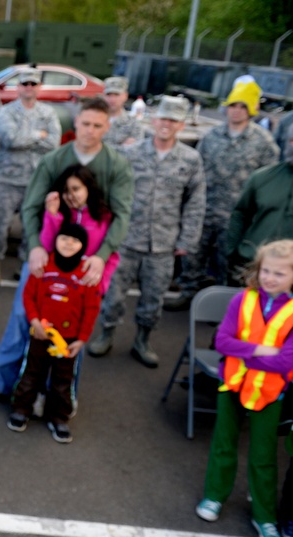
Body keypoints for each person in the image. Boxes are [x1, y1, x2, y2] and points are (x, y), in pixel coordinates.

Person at [0, 97, 134, 404]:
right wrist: (35, 246)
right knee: (24, 317)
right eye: (85, 123)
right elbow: (32, 204)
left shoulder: (117, 165)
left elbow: (122, 215)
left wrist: (101, 258)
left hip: (87, 264)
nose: (90, 131)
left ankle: (56, 393)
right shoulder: (54, 160)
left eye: (97, 126)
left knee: (74, 329)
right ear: (75, 123)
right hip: (47, 255)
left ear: (107, 127)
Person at [87, 96, 205, 368]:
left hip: (163, 243)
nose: (166, 124)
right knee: (114, 292)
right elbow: (110, 193)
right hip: (126, 239)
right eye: (163, 118)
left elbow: (195, 202)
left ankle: (143, 339)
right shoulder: (131, 153)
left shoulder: (190, 159)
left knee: (154, 296)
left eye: (173, 120)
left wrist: (188, 239)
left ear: (182, 125)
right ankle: (106, 333)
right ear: (153, 120)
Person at [195, 240, 293, 537]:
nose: (270, 278)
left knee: (263, 456)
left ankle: (264, 516)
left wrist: (245, 353)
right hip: (233, 386)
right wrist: (260, 350)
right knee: (224, 444)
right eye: (266, 271)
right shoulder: (242, 300)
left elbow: (286, 361)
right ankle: (214, 496)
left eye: (279, 273)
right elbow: (222, 342)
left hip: (270, 393)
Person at [166, 77, 280, 311]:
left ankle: (223, 307)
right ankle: (188, 292)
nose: (236, 111)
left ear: (251, 110)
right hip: (205, 211)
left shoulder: (263, 142)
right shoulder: (211, 137)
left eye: (242, 107)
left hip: (236, 217)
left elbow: (270, 181)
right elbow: (196, 173)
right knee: (193, 257)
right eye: (232, 106)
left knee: (228, 264)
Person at [7, 222, 101, 443]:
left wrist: (82, 339)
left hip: (68, 341)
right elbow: (29, 296)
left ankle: (59, 417)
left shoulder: (85, 275)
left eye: (75, 240)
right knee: (31, 372)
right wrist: (35, 321)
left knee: (63, 379)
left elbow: (92, 309)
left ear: (83, 246)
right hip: (40, 334)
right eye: (64, 238)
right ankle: (22, 408)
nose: (68, 243)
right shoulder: (44, 266)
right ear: (55, 240)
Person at [0, 67, 62, 287]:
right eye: (25, 84)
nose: (29, 88)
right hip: (6, 179)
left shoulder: (48, 113)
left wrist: (27, 138)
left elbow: (53, 144)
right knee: (0, 225)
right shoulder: (6, 112)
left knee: (31, 228)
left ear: (39, 87)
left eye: (33, 84)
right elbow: (9, 140)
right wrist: (38, 135)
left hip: (35, 180)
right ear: (18, 87)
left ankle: (26, 264)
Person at [226, 125, 293, 283]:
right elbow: (240, 214)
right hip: (253, 264)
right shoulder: (262, 177)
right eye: (292, 140)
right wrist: (233, 252)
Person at [40, 165, 119, 295]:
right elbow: (47, 247)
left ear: (88, 187)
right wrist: (52, 215)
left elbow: (112, 255)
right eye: (66, 191)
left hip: (88, 288)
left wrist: (101, 285)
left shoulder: (103, 216)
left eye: (76, 189)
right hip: (59, 284)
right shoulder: (60, 214)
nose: (71, 196)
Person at [102, 76, 144, 149]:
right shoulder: (94, 120)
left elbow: (136, 152)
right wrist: (122, 147)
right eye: (109, 95)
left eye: (116, 95)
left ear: (125, 96)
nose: (112, 99)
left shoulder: (133, 124)